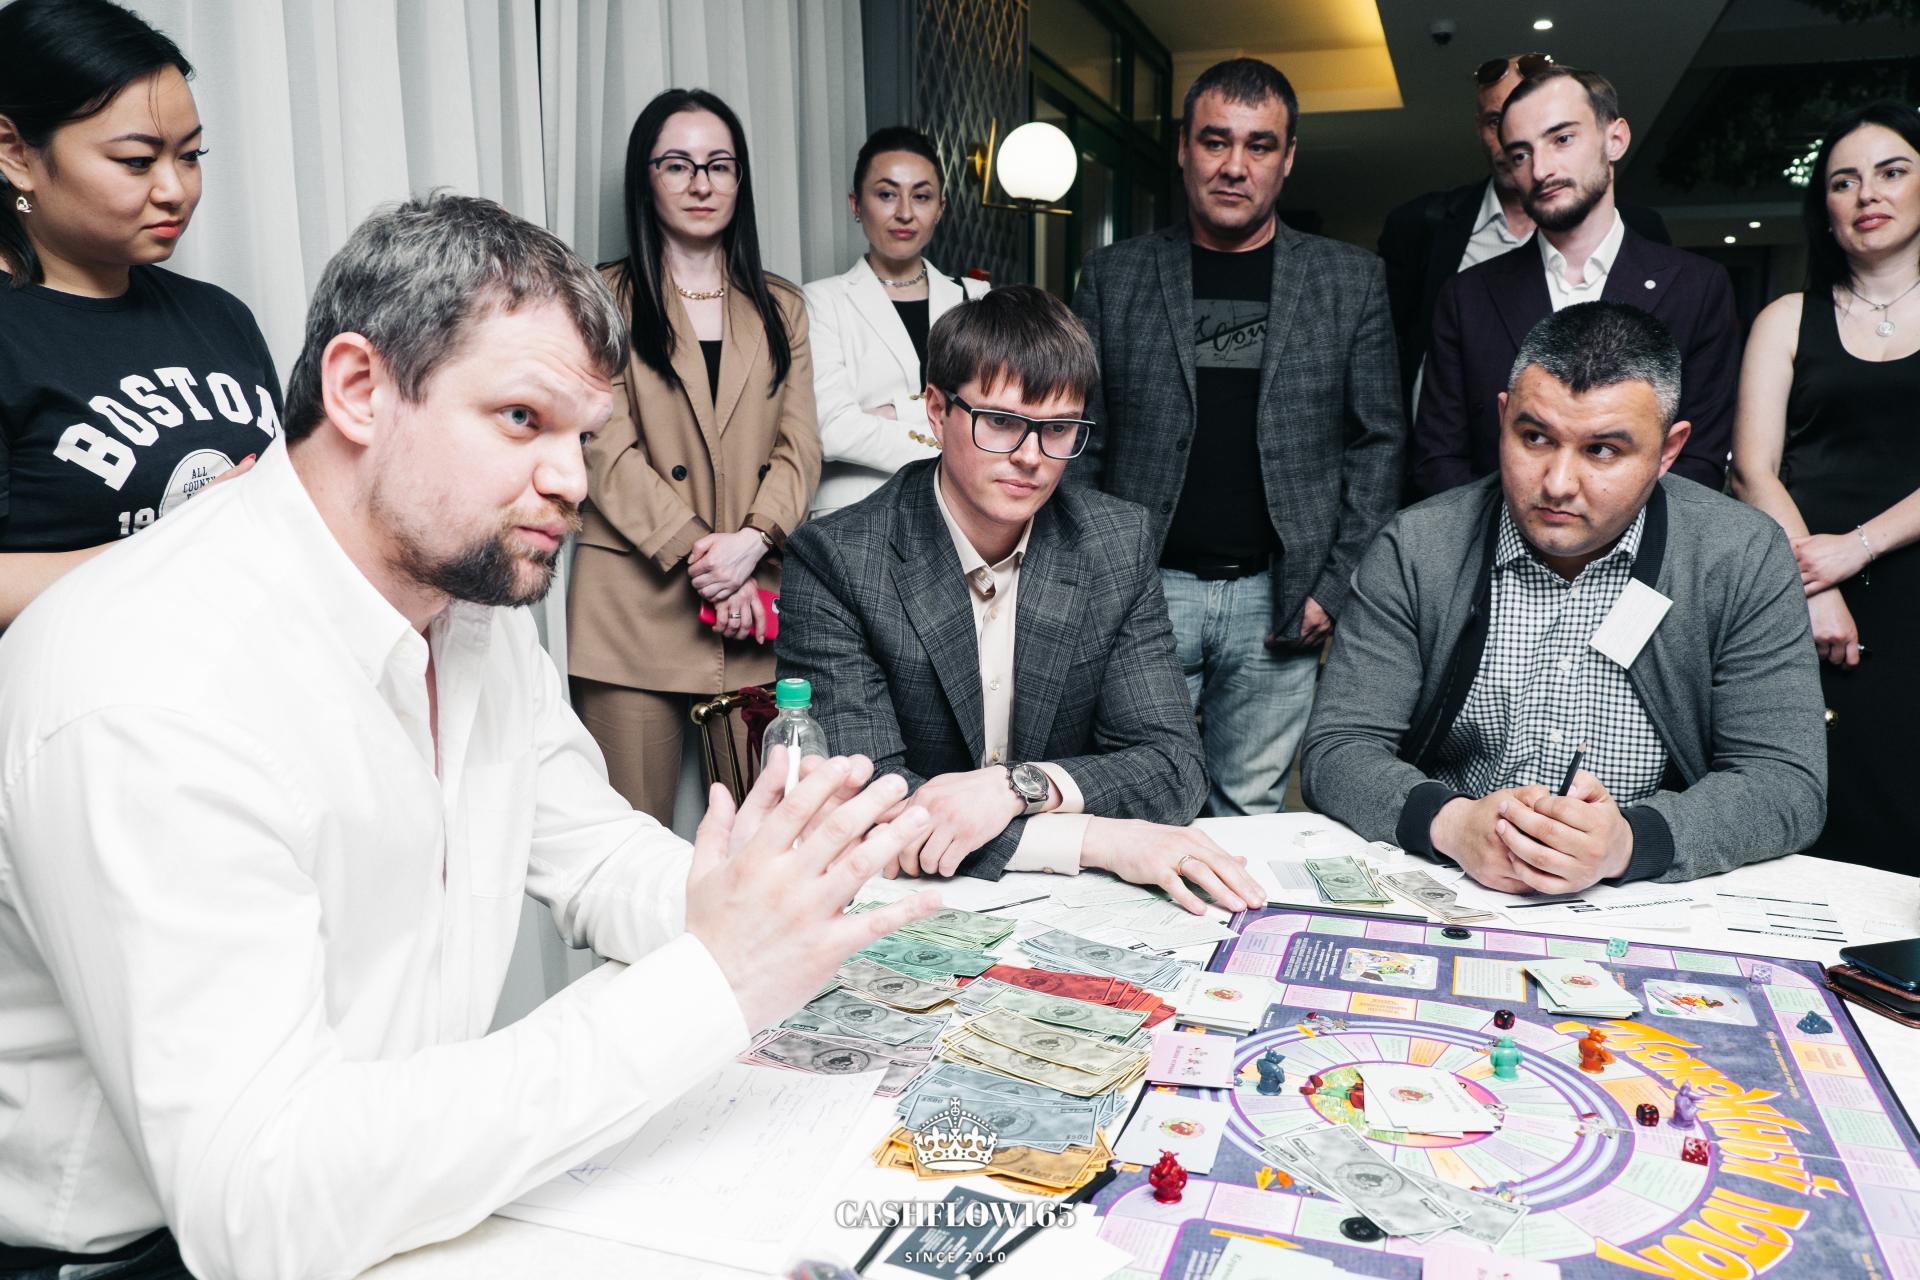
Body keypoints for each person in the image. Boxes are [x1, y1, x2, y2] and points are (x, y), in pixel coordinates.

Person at [0, 192, 938, 1280]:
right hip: (147, 1256)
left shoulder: (468, 608)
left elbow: (591, 849)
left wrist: (763, 898)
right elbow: (258, 1200)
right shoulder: (152, 685)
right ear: (360, 389)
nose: (572, 481)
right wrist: (712, 979)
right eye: (523, 420)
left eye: (584, 437)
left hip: (398, 1190)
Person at [1302, 302, 1825, 894]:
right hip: (1453, 880)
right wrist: (1450, 823)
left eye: (1602, 450)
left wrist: (1629, 842)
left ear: (1668, 450)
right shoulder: (1419, 547)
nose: (1557, 484)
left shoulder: (1741, 555)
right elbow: (1339, 749)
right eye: (1534, 438)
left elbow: (1785, 781)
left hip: (1648, 895)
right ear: (1503, 418)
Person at [777, 286, 1265, 913]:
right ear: (936, 411)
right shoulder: (839, 559)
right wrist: (1098, 839)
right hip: (898, 901)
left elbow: (1172, 765)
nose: (1030, 458)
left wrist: (1016, 788)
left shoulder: (1114, 543)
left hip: (1072, 908)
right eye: (1001, 422)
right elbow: (864, 805)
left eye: (1057, 429)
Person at [1069, 57, 1403, 817]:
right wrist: (1096, 573)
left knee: (1247, 812)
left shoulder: (1349, 281)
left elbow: (1378, 443)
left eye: (1259, 145)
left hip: (1278, 599)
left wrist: (1335, 583)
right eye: (1215, 141)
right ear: (1183, 148)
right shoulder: (1115, 276)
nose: (1234, 166)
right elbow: (1083, 434)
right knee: (1127, 800)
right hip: (1142, 590)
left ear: (1288, 159)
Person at [568, 88, 819, 825]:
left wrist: (752, 543)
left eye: (720, 165)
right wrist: (707, 559)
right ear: (645, 178)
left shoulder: (781, 306)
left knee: (763, 841)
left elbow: (801, 445)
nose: (701, 183)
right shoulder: (599, 297)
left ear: (740, 180)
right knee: (628, 844)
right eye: (677, 164)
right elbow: (601, 444)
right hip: (632, 610)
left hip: (755, 610)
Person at [0, 0, 281, 629]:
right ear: (15, 152)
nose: (175, 190)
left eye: (191, 155)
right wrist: (176, 545)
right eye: (136, 161)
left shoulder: (220, 317)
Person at [1730, 102, 1920, 871]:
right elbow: (1751, 470)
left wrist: (1858, 548)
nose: (1867, 193)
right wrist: (1812, 581)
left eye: (1891, 172)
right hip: (1800, 593)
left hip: (1907, 590)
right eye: (1843, 182)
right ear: (1826, 211)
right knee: (1808, 814)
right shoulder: (1785, 318)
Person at [1411, 66, 1738, 500]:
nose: (1541, 169)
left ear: (1615, 139)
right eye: (1520, 155)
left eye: (1562, 139)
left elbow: (1699, 460)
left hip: (1650, 541)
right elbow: (1438, 460)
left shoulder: (1697, 288)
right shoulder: (1466, 296)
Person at [1377, 50, 1669, 421]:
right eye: (1496, 121)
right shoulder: (1421, 224)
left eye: (1553, 133)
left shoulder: (1639, 229)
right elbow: (1388, 356)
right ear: (1480, 128)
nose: (1512, 138)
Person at [804, 125, 989, 518]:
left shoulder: (974, 297)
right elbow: (832, 431)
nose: (905, 212)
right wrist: (950, 436)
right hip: (855, 515)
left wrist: (893, 411)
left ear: (940, 208)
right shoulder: (820, 301)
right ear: (856, 205)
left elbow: (988, 417)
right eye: (886, 194)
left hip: (959, 513)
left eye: (921, 196)